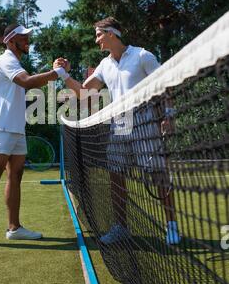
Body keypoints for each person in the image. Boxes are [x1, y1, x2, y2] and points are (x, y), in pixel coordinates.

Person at [54, 17, 181, 245]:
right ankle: (121, 227)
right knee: (116, 175)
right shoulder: (105, 65)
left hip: (145, 123)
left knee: (158, 174)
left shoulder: (143, 56)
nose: (96, 40)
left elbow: (165, 84)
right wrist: (63, 75)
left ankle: (172, 225)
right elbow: (84, 92)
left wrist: (169, 115)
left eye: (99, 35)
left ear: (111, 33)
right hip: (119, 125)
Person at [0, 23, 69, 248]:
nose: (27, 40)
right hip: (0, 127)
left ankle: (14, 228)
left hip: (16, 128)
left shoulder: (15, 63)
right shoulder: (6, 60)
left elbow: (30, 80)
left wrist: (53, 71)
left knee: (16, 176)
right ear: (11, 41)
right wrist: (57, 73)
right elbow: (26, 82)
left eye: (27, 37)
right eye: (23, 37)